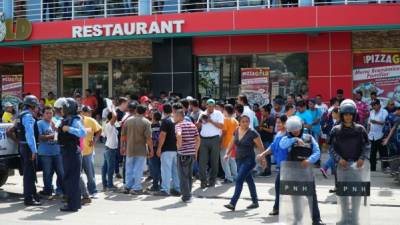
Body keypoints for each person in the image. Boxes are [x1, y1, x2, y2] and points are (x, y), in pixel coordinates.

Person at [330, 99, 370, 225]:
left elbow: (367, 146)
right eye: (345, 114)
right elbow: (331, 148)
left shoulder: (360, 129)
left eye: (350, 114)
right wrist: (338, 159)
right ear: (342, 115)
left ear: (354, 115)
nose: (348, 117)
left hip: (357, 167)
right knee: (343, 194)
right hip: (342, 168)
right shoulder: (335, 130)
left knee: (356, 194)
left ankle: (355, 218)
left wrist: (362, 158)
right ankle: (344, 218)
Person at [279, 116, 325, 225]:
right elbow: (282, 145)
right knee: (295, 197)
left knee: (311, 196)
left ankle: (316, 219)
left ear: (301, 127)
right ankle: (297, 219)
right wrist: (295, 139)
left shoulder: (309, 138)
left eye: (297, 130)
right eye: (292, 131)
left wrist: (309, 160)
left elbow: (317, 152)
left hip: (306, 172)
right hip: (292, 173)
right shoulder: (287, 139)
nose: (295, 132)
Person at [223, 115, 265, 211]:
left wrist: (263, 159)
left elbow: (261, 146)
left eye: (247, 121)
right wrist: (227, 154)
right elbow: (232, 142)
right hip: (239, 159)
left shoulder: (253, 133)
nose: (245, 123)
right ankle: (255, 202)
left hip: (249, 160)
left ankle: (232, 203)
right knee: (249, 180)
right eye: (243, 121)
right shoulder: (237, 130)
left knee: (239, 179)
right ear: (239, 122)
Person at [55, 97, 87, 212]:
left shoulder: (75, 120)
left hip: (72, 151)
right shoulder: (65, 119)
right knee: (69, 178)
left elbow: (82, 133)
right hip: (66, 151)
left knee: (71, 179)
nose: (61, 110)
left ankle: (72, 205)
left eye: (63, 108)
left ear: (69, 108)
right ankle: (73, 204)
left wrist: (69, 129)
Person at [257, 114, 288, 216]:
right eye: (276, 122)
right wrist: (263, 154)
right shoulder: (279, 133)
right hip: (281, 165)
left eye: (279, 122)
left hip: (288, 165)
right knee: (281, 187)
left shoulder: (289, 134)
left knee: (280, 185)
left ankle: (277, 208)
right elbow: (272, 147)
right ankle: (279, 207)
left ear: (285, 123)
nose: (277, 124)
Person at [121, 104, 153, 195]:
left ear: (136, 111)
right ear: (145, 112)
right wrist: (151, 150)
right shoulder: (146, 122)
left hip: (129, 148)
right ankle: (136, 187)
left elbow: (123, 136)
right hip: (141, 149)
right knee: (138, 169)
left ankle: (127, 186)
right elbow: (148, 138)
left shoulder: (128, 121)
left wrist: (122, 147)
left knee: (129, 168)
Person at [15, 95, 41, 206]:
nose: (37, 108)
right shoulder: (28, 116)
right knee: (29, 174)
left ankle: (33, 195)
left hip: (22, 146)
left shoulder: (19, 115)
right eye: (36, 106)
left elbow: (15, 129)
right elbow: (30, 134)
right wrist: (34, 150)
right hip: (28, 147)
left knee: (29, 172)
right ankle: (28, 199)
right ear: (32, 105)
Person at [197, 99, 224, 188]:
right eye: (209, 106)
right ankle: (203, 181)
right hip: (204, 139)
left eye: (212, 106)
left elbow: (221, 126)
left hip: (214, 139)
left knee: (214, 162)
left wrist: (210, 120)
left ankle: (212, 181)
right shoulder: (202, 113)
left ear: (214, 106)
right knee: (202, 162)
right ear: (206, 106)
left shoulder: (218, 114)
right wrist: (200, 120)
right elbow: (197, 126)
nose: (210, 108)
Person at [37, 106, 64, 198]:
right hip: (45, 153)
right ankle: (47, 190)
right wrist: (52, 136)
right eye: (47, 113)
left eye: (50, 113)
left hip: (57, 152)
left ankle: (60, 190)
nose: (49, 115)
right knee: (47, 173)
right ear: (43, 114)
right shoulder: (39, 123)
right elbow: (39, 137)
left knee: (61, 172)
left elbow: (61, 134)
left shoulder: (56, 122)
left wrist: (56, 132)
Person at [174, 109, 200, 203]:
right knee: (189, 175)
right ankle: (188, 194)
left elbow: (179, 135)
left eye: (175, 115)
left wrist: (179, 145)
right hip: (191, 153)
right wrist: (195, 151)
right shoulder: (192, 125)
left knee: (182, 176)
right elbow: (198, 139)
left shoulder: (178, 125)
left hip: (183, 154)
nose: (174, 117)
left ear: (179, 116)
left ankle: (186, 196)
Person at [155, 103, 180, 196]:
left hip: (167, 149)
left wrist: (159, 148)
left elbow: (162, 135)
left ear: (163, 111)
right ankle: (177, 188)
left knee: (166, 170)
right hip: (176, 149)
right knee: (175, 170)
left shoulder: (166, 121)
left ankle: (165, 189)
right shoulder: (176, 120)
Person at [81, 105, 102, 197]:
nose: (90, 113)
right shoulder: (74, 121)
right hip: (76, 152)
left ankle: (93, 191)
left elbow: (100, 129)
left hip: (88, 152)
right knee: (77, 175)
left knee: (90, 173)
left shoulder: (91, 120)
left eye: (90, 111)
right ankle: (81, 192)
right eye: (88, 111)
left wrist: (95, 140)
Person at [368, 99, 389, 171]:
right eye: (372, 105)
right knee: (372, 154)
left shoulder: (384, 112)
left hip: (381, 135)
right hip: (372, 135)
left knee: (383, 153)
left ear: (379, 105)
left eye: (374, 105)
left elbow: (385, 122)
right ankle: (372, 168)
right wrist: (368, 133)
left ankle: (385, 168)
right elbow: (369, 124)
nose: (373, 106)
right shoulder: (371, 112)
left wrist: (376, 122)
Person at [220, 104, 239, 183]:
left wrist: (220, 142)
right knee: (232, 160)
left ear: (225, 110)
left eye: (223, 110)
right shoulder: (235, 120)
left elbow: (224, 132)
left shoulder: (225, 119)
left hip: (226, 143)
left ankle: (228, 178)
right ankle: (235, 176)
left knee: (224, 161)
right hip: (234, 143)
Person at [102, 109, 118, 191]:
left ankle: (105, 184)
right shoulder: (109, 124)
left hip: (108, 147)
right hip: (110, 148)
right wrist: (112, 108)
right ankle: (110, 185)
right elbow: (114, 116)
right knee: (110, 168)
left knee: (105, 167)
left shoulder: (108, 124)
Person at [257, 105, 275, 177]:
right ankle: (265, 170)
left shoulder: (271, 118)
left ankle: (268, 171)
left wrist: (263, 128)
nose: (261, 112)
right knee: (264, 155)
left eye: (262, 111)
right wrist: (262, 120)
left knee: (267, 156)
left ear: (267, 112)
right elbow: (260, 126)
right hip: (263, 139)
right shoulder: (264, 118)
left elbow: (271, 130)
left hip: (268, 140)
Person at [148, 110, 162, 192]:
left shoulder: (150, 126)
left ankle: (155, 185)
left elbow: (149, 139)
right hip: (161, 148)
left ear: (153, 117)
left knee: (154, 167)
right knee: (160, 167)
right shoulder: (162, 125)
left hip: (153, 148)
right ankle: (161, 184)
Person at [115, 97, 128, 179]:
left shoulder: (125, 112)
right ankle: (116, 171)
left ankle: (124, 173)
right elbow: (114, 124)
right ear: (122, 103)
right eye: (126, 103)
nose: (127, 105)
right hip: (118, 136)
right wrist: (120, 123)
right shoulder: (116, 112)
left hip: (125, 136)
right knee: (117, 155)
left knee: (124, 155)